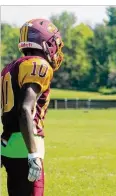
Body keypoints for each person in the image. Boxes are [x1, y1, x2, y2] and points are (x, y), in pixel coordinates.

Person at [1, 18, 64, 196]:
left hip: (8, 145)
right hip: (26, 144)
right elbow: (24, 109)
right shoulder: (38, 64)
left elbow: (10, 111)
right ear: (44, 43)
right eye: (54, 44)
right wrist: (33, 154)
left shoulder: (12, 66)